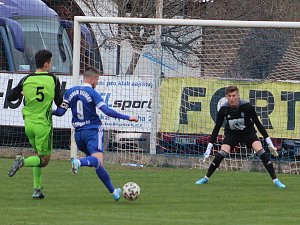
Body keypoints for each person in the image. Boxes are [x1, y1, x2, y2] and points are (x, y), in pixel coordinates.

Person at [52, 66, 139, 201]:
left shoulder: (70, 92)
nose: (97, 83)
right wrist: (128, 117)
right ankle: (78, 162)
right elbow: (107, 111)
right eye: (97, 80)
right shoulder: (92, 93)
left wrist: (47, 111)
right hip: (93, 131)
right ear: (92, 79)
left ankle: (114, 192)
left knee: (97, 163)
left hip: (78, 135)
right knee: (97, 159)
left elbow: (60, 112)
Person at [195, 85, 286, 188]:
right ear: (226, 97)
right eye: (229, 96)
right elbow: (216, 128)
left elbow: (258, 124)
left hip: (248, 133)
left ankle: (276, 180)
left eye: (234, 96)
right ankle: (206, 178)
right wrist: (209, 147)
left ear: (238, 96)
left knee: (261, 151)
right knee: (222, 153)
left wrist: (269, 143)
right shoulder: (223, 109)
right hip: (232, 134)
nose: (231, 98)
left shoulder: (247, 106)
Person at [7, 49, 63, 199]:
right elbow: (59, 102)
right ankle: (22, 162)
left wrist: (22, 93)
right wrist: (66, 105)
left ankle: (36, 189)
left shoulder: (27, 79)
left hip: (28, 125)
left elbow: (10, 97)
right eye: (50, 62)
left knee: (37, 155)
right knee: (44, 161)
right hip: (43, 126)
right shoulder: (53, 79)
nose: (51, 65)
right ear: (46, 64)